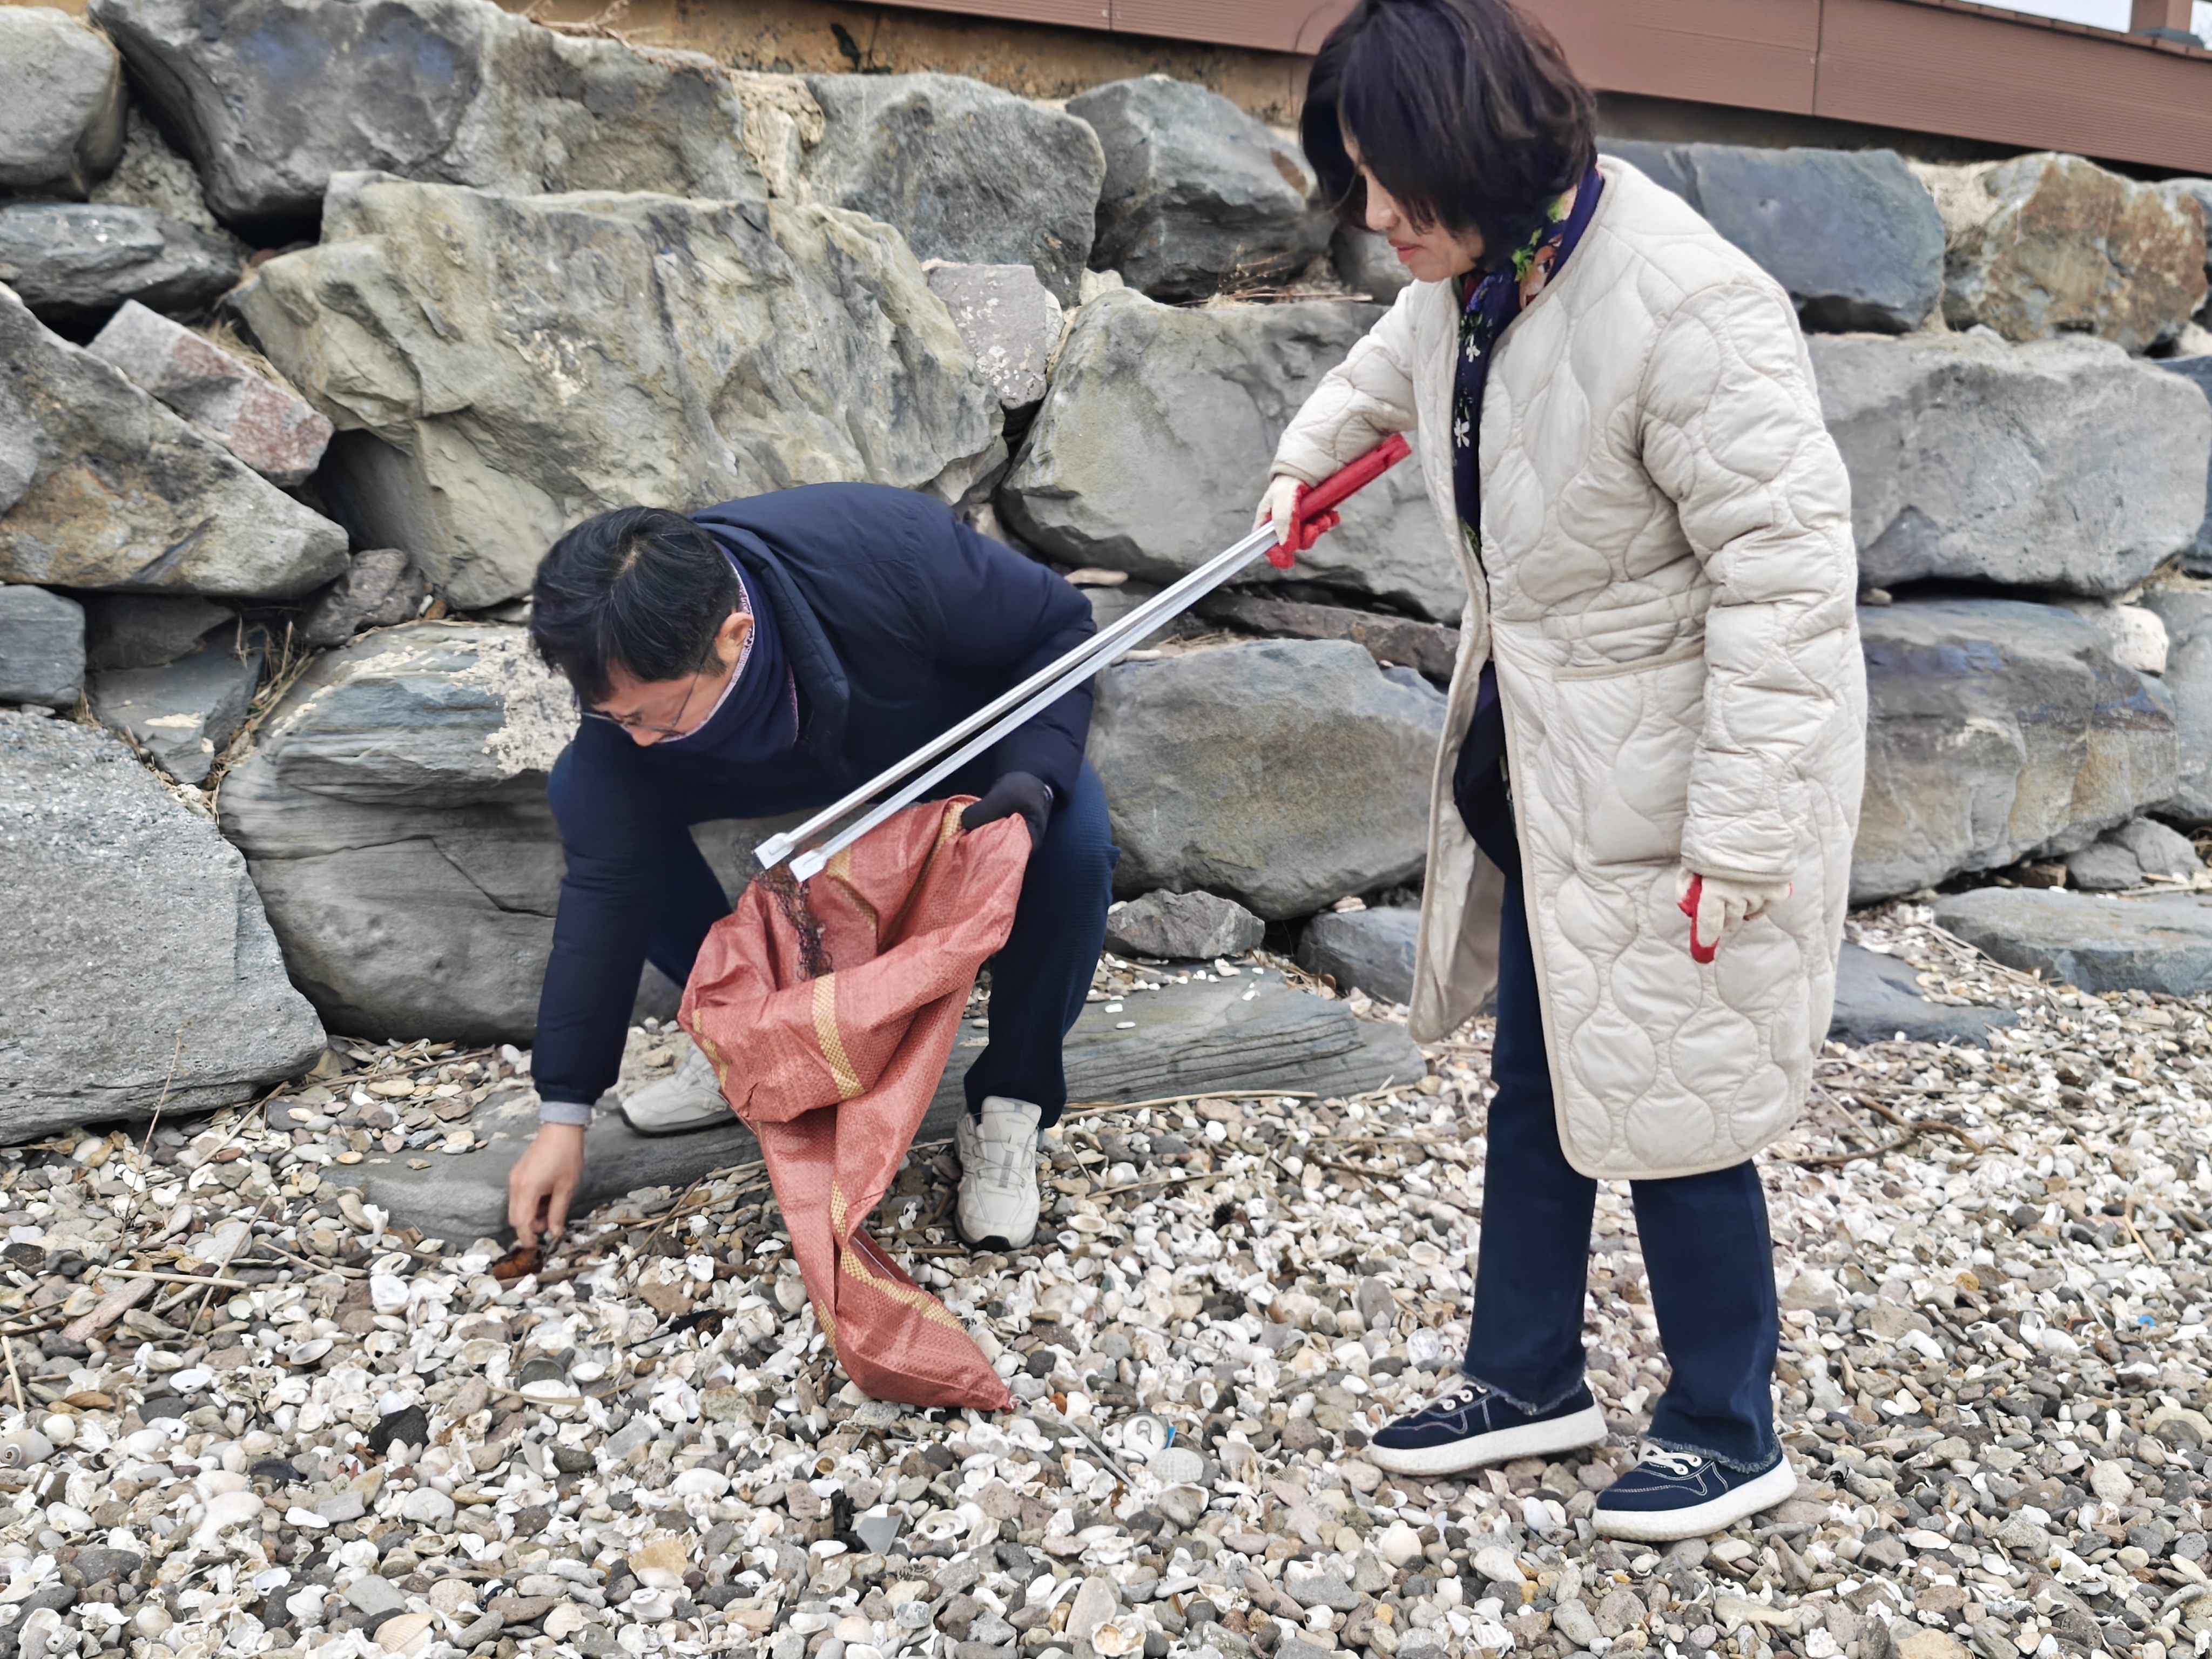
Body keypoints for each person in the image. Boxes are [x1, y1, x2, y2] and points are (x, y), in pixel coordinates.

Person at [1259, 0, 1864, 1540]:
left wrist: (1737, 836)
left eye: (1400, 189)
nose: (1379, 220)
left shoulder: (1688, 305)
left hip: (1674, 771)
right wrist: (1299, 466)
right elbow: (1395, 363)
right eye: (1358, 183)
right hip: (1545, 754)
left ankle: (1730, 1425)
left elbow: (1788, 583)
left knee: (1676, 1094)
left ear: (1489, 153)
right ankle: (1528, 1376)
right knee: (1544, 1075)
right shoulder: (1479, 264)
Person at [504, 485, 1116, 1255]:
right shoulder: (638, 700)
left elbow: (1061, 625)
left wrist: (1033, 776)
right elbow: (604, 893)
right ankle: (756, 1043)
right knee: (594, 798)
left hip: (947, 729)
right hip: (772, 753)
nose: (629, 737)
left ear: (735, 635)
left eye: (643, 715)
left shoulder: (893, 550)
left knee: (1077, 843)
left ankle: (1011, 1103)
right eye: (611, 715)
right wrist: (564, 1116)